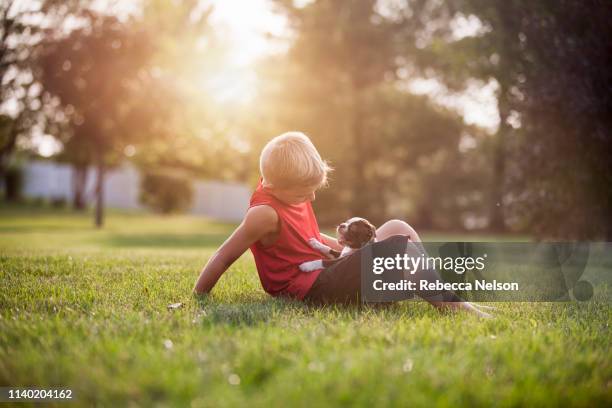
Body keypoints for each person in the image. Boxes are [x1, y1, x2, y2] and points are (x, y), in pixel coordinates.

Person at [192, 131, 492, 318]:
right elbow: (224, 255)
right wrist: (199, 296)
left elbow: (306, 236)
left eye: (312, 189)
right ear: (274, 186)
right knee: (400, 250)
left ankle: (430, 289)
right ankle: (451, 305)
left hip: (328, 273)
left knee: (398, 227)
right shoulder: (264, 214)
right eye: (302, 192)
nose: (310, 197)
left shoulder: (289, 193)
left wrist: (349, 252)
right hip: (312, 289)